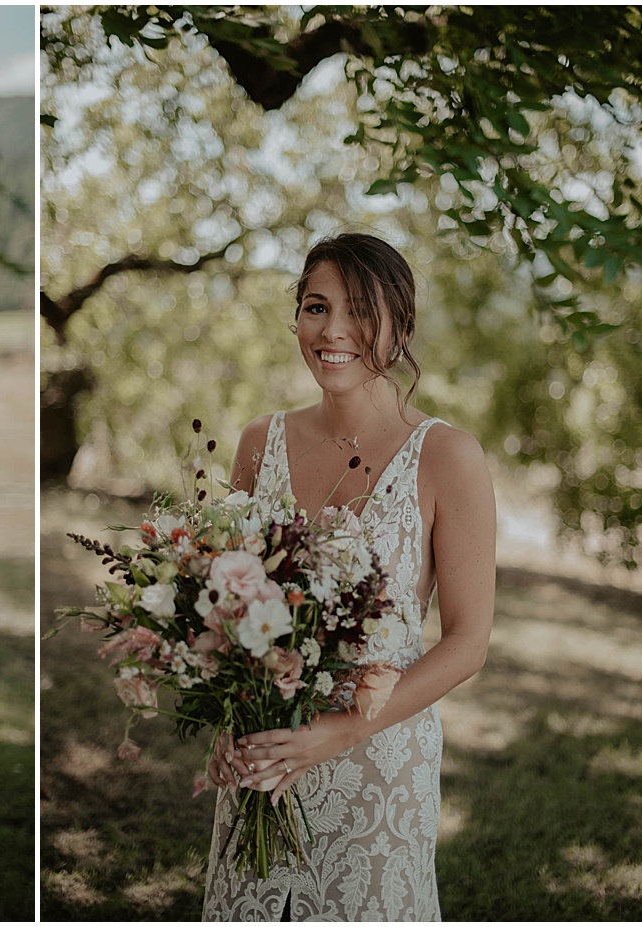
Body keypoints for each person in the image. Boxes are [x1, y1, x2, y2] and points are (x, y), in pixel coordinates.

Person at [201, 233, 496, 920]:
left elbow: (468, 641)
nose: (333, 331)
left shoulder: (447, 456)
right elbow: (229, 607)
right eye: (315, 307)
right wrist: (227, 722)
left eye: (359, 310)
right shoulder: (257, 441)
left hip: (378, 770)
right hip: (264, 762)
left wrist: (341, 731)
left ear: (401, 326)